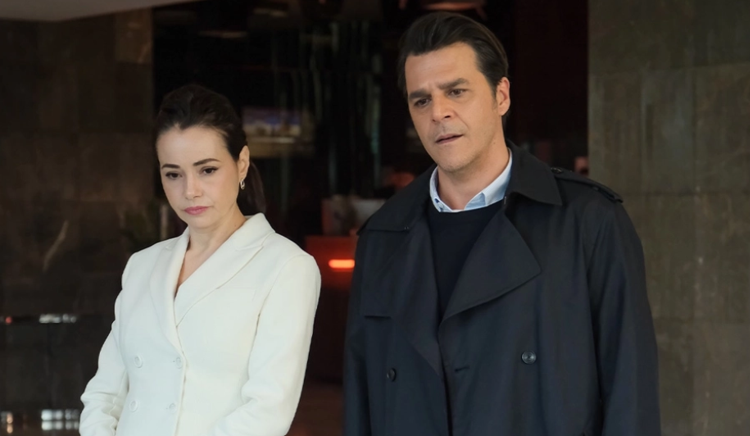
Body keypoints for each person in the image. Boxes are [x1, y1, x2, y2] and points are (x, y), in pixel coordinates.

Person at [343, 12, 660, 436]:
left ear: (501, 96)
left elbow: (631, 395)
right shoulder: (382, 236)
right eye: (421, 100)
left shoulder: (588, 221)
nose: (439, 112)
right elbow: (361, 400)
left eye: (456, 91)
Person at [80, 84, 321, 436]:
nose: (189, 190)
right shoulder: (143, 265)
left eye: (207, 170)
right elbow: (105, 393)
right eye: (173, 174)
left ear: (241, 163)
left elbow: (268, 410)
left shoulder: (286, 267)